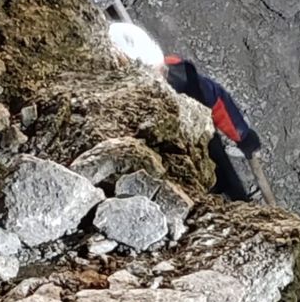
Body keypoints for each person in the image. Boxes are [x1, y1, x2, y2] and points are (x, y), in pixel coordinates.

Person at [107, 22, 275, 204]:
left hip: (210, 155)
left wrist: (242, 135)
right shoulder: (121, 113)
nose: (163, 79)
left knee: (232, 194)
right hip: (174, 183)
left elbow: (216, 100)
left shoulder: (183, 78)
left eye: (162, 71)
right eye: (155, 76)